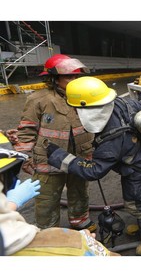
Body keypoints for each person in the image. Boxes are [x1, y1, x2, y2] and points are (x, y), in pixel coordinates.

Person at [46, 76, 141, 255]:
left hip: (135, 168)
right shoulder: (121, 103)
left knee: (137, 204)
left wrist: (57, 155)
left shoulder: (110, 142)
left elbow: (94, 171)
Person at [12, 54, 97, 232]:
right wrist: (26, 159)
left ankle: (80, 223)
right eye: (68, 76)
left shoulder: (85, 96)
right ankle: (49, 233)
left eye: (76, 76)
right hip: (48, 161)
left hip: (79, 158)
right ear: (54, 78)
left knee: (80, 193)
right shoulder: (39, 99)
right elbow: (27, 131)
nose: (74, 80)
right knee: (47, 199)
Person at [0, 133, 119, 256]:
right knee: (47, 202)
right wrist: (83, 243)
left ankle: (78, 220)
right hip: (50, 163)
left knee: (78, 193)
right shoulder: (68, 245)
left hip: (78, 161)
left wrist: (11, 203)